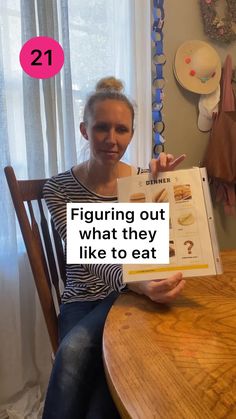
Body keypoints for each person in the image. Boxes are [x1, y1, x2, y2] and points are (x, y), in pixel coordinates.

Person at [42, 77, 186, 419]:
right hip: (85, 295)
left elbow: (159, 246)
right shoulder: (58, 188)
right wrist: (135, 280)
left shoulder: (140, 180)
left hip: (131, 296)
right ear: (84, 129)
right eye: (101, 127)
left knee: (101, 401)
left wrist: (159, 191)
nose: (111, 139)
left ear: (132, 134)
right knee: (74, 352)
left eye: (121, 129)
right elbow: (87, 250)